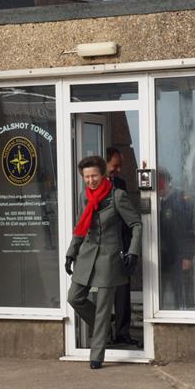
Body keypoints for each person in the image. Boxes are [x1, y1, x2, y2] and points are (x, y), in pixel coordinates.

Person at [66, 155, 142, 368]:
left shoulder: (117, 196)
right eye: (86, 177)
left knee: (102, 307)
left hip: (109, 259)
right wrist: (71, 253)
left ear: (103, 174)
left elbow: (136, 224)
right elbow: (81, 226)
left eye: (94, 176)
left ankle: (97, 355)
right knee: (75, 297)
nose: (90, 181)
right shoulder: (85, 196)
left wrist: (133, 252)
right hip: (87, 256)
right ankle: (106, 325)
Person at [105, 147, 139, 347]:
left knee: (123, 291)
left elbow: (128, 217)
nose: (118, 170)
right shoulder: (94, 183)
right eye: (115, 165)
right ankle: (104, 329)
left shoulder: (121, 184)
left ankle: (122, 332)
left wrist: (130, 248)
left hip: (122, 244)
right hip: (103, 248)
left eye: (120, 166)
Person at [158, 168, 195, 310]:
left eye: (161, 184)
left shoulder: (180, 200)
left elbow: (189, 230)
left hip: (178, 256)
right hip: (162, 257)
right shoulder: (155, 202)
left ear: (167, 182)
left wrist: (187, 256)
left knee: (180, 292)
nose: (159, 189)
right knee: (158, 294)